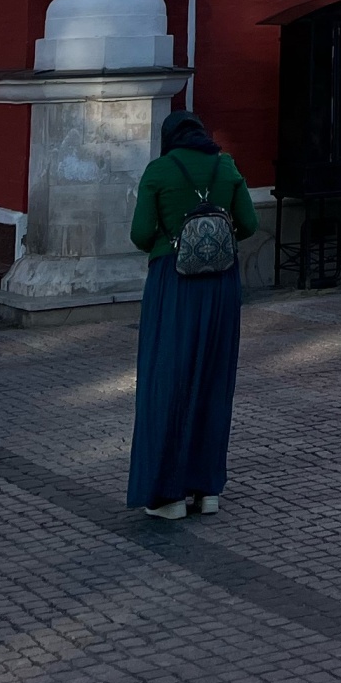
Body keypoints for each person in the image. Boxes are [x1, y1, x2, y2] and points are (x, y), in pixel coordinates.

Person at [127, 109, 258, 520]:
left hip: (174, 284)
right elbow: (250, 224)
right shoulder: (226, 165)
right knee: (214, 380)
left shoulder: (159, 171)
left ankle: (166, 495)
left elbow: (139, 234)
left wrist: (174, 239)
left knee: (167, 380)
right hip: (221, 285)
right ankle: (207, 490)